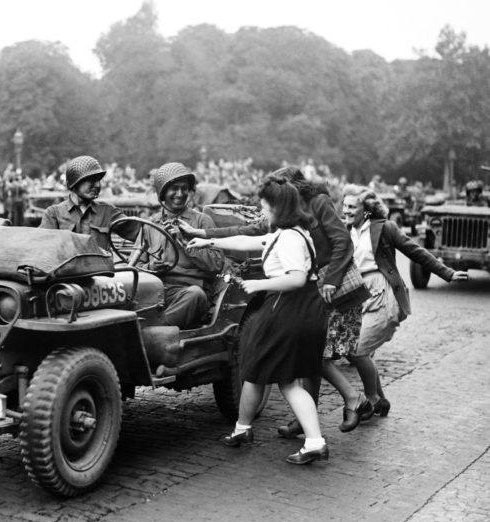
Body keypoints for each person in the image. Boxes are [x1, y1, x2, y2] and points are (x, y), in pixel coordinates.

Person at [180, 167, 371, 435]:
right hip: (311, 286)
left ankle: (351, 401)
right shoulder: (284, 216)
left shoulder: (315, 205)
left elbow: (343, 243)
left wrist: (330, 280)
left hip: (330, 285)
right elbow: (252, 232)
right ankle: (312, 418)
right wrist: (206, 236)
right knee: (310, 355)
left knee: (315, 354)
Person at [187, 175, 329, 464]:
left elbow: (296, 279)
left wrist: (259, 285)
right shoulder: (290, 232)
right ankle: (243, 428)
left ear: (278, 206)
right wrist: (206, 238)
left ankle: (315, 442)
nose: (262, 210)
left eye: (265, 205)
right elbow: (248, 240)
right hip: (298, 308)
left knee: (285, 380)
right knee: (255, 368)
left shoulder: (288, 238)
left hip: (290, 308)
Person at [342, 185, 469, 414]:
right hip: (357, 295)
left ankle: (371, 399)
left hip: (383, 293)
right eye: (344, 206)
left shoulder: (385, 228)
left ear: (366, 210)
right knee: (362, 351)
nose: (347, 211)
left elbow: (415, 251)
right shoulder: (344, 230)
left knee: (358, 350)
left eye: (352, 206)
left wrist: (447, 273)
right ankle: (380, 400)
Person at [141, 162, 226, 329]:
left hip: (190, 292)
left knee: (195, 295)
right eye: (174, 188)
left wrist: (186, 243)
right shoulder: (150, 224)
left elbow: (217, 263)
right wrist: (150, 266)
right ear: (162, 193)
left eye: (184, 188)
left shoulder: (201, 221)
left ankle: (153, 332)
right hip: (158, 291)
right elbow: (135, 266)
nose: (180, 194)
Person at [39, 155, 138, 251]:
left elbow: (142, 232)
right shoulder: (54, 214)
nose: (97, 185)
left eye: (98, 180)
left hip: (101, 267)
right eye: (91, 180)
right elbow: (43, 250)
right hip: (68, 267)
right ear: (75, 183)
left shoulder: (107, 211)